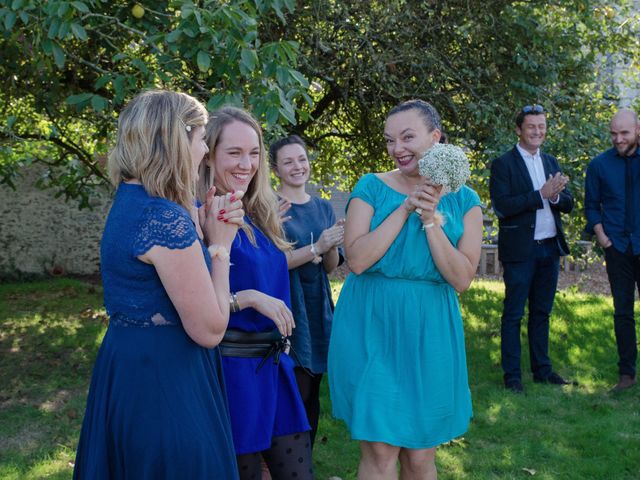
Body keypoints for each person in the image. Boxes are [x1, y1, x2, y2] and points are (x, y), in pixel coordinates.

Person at [73, 90, 242, 479]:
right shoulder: (160, 217)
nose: (204, 151)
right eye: (201, 138)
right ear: (176, 140)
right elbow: (210, 329)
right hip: (166, 382)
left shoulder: (132, 200)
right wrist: (220, 247)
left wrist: (200, 218)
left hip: (127, 368)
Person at [328, 99, 483, 479]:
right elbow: (359, 259)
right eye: (390, 140)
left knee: (419, 456)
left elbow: (462, 278)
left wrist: (431, 219)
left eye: (408, 137)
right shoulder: (370, 187)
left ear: (436, 137)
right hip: (372, 322)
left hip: (430, 329)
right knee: (380, 452)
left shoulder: (466, 200)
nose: (397, 148)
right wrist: (404, 209)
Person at [201, 107, 314, 480]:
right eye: (234, 153)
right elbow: (193, 304)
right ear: (209, 153)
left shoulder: (257, 212)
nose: (246, 164)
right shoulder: (199, 214)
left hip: (274, 367)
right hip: (232, 374)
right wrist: (246, 297)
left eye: (253, 153)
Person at [489, 104, 575, 394]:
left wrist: (555, 197)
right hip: (520, 251)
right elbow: (503, 206)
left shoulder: (551, 161)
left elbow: (569, 202)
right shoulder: (503, 164)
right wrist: (540, 195)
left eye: (542, 126)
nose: (538, 132)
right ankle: (512, 377)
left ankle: (543, 370)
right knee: (513, 314)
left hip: (549, 249)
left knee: (542, 312)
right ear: (518, 129)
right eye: (531, 127)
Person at [268, 135, 344, 448]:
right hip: (289, 305)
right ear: (275, 169)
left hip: (317, 307)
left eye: (301, 159)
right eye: (288, 161)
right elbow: (272, 264)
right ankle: (281, 462)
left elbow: (329, 266)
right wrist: (316, 246)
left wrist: (330, 244)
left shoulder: (323, 207)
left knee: (313, 391)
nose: (297, 166)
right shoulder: (271, 206)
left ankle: (305, 462)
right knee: (294, 391)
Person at [585, 108, 640, 392]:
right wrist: (603, 237)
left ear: (637, 130)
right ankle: (626, 374)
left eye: (624, 133)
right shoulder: (599, 166)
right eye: (614, 134)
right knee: (622, 312)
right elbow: (591, 206)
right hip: (617, 247)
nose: (618, 139)